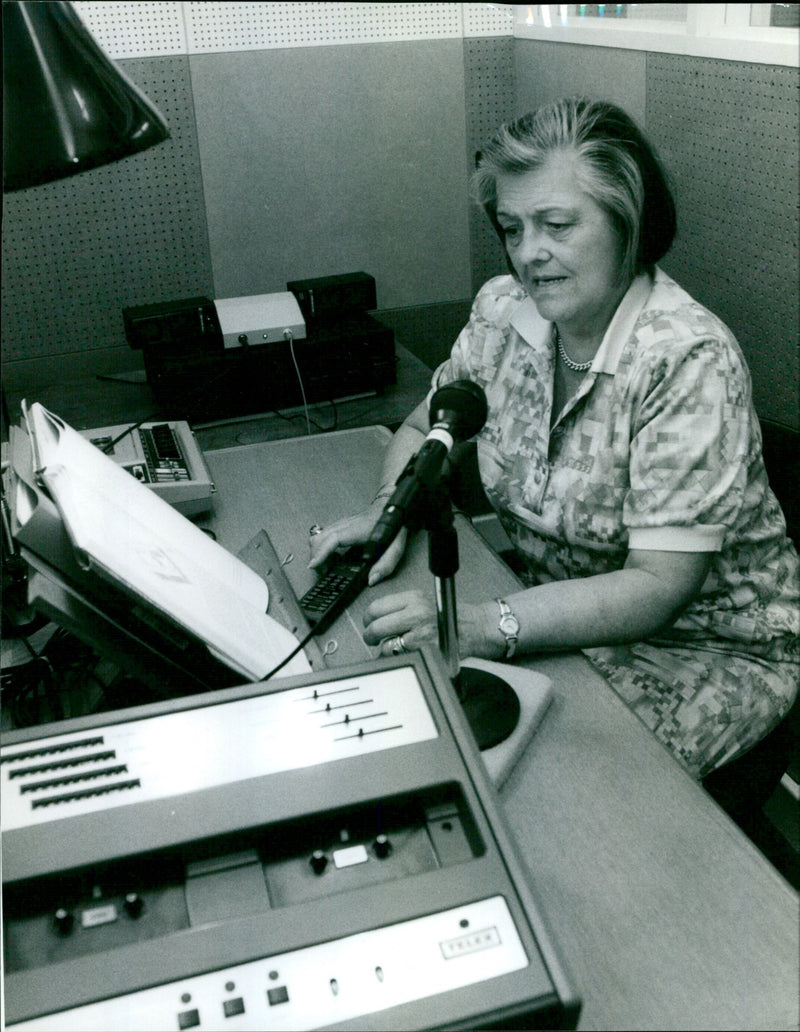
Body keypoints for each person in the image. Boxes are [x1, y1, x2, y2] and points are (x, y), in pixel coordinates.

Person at [309, 97, 799, 779]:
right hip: (548, 619)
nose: (528, 253)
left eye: (557, 225)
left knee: (539, 796)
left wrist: (487, 625)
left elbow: (659, 585)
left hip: (701, 649)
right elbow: (428, 426)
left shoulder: (687, 358)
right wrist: (389, 514)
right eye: (512, 228)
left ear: (628, 224)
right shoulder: (502, 311)